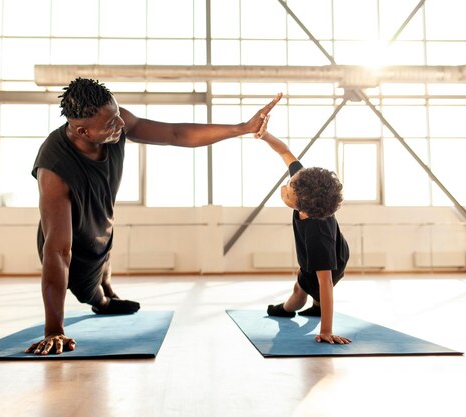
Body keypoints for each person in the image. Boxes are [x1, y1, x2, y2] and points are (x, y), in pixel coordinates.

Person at [25, 78, 281, 355]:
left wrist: (242, 128)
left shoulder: (115, 120)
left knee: (105, 247)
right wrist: (54, 330)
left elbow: (175, 134)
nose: (121, 126)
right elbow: (59, 250)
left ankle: (108, 287)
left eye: (118, 117)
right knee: (90, 290)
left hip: (101, 225)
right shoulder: (54, 168)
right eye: (111, 125)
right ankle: (102, 301)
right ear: (83, 131)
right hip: (72, 243)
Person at [258, 130, 352, 345]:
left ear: (304, 206)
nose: (284, 188)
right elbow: (285, 151)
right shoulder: (305, 185)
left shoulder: (316, 234)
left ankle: (285, 309)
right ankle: (317, 306)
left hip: (331, 260)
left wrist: (326, 330)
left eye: (288, 193)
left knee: (300, 291)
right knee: (313, 279)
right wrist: (266, 136)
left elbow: (326, 282)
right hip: (336, 249)